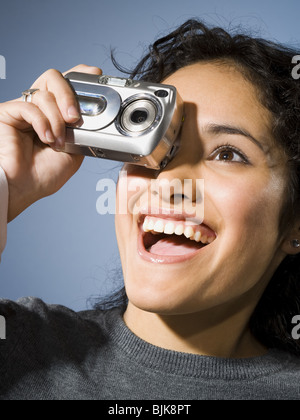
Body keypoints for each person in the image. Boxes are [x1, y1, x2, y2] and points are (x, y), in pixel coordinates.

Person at [0, 19, 300, 400]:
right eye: (157, 144)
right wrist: (4, 181)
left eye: (228, 154)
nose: (170, 181)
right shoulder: (15, 344)